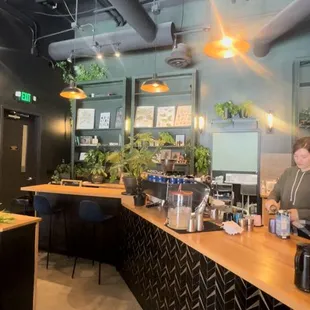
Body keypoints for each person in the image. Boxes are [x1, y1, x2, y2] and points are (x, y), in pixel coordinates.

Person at [265, 136, 310, 221]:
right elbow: (276, 191)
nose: (298, 160)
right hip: (284, 224)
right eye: (296, 156)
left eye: (304, 157)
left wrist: (300, 214)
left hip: (306, 230)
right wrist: (271, 201)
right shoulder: (289, 172)